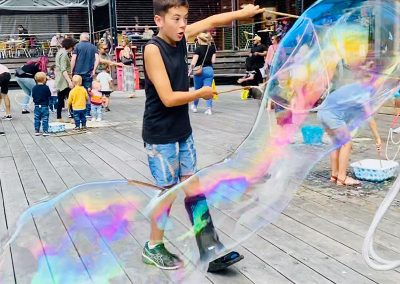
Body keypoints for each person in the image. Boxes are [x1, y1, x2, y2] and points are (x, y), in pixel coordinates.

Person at [141, 0, 264, 271]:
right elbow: (169, 98)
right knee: (167, 193)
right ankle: (153, 247)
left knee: (194, 189)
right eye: (176, 18)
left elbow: (210, 22)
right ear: (159, 20)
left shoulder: (181, 39)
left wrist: (243, 13)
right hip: (160, 134)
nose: (183, 24)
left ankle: (210, 249)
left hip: (182, 131)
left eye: (185, 18)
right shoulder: (153, 49)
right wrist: (201, 93)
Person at [317, 79, 382, 186]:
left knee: (336, 143)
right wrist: (377, 138)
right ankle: (342, 178)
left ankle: (335, 175)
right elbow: (370, 118)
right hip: (332, 116)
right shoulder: (364, 94)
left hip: (322, 112)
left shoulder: (352, 89)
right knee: (347, 144)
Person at [71, 32, 100, 118]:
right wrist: (94, 69)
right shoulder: (93, 47)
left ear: (81, 38)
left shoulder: (77, 46)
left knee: (76, 91)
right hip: (88, 73)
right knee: (88, 92)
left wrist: (71, 71)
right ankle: (87, 112)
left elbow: (73, 59)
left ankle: (75, 110)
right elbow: (97, 59)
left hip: (77, 73)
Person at [189, 33, 217, 115]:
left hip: (199, 71)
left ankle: (194, 106)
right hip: (209, 70)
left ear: (200, 40)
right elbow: (213, 61)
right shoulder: (212, 48)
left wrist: (190, 70)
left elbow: (193, 62)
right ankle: (209, 109)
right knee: (208, 90)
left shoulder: (198, 49)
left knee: (197, 90)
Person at [55, 38, 75, 122]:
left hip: (59, 79)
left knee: (60, 99)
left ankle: (59, 117)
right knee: (70, 99)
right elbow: (63, 69)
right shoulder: (64, 54)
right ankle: (72, 118)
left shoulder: (59, 52)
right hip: (64, 80)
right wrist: (70, 81)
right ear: (70, 46)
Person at [32, 72, 51, 136]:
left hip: (37, 106)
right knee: (45, 118)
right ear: (44, 79)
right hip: (44, 105)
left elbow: (33, 96)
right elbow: (49, 95)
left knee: (37, 118)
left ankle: (37, 130)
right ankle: (45, 131)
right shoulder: (46, 87)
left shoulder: (34, 88)